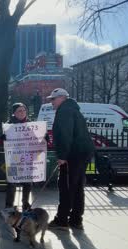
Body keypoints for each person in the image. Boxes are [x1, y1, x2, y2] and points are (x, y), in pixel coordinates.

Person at [46, 88, 94, 231]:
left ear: (61, 98)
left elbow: (66, 135)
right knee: (77, 186)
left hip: (73, 155)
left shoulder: (64, 111)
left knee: (66, 186)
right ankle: (76, 219)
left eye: (53, 99)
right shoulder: (73, 109)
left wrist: (62, 156)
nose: (51, 102)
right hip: (82, 153)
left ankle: (62, 220)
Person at [1, 103, 35, 211]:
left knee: (28, 182)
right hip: (13, 159)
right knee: (11, 183)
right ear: (14, 113)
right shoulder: (8, 125)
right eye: (19, 111)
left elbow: (38, 139)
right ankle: (9, 205)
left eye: (24, 110)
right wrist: (3, 138)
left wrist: (44, 137)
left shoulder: (31, 124)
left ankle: (25, 203)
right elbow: (0, 141)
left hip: (27, 158)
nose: (22, 112)